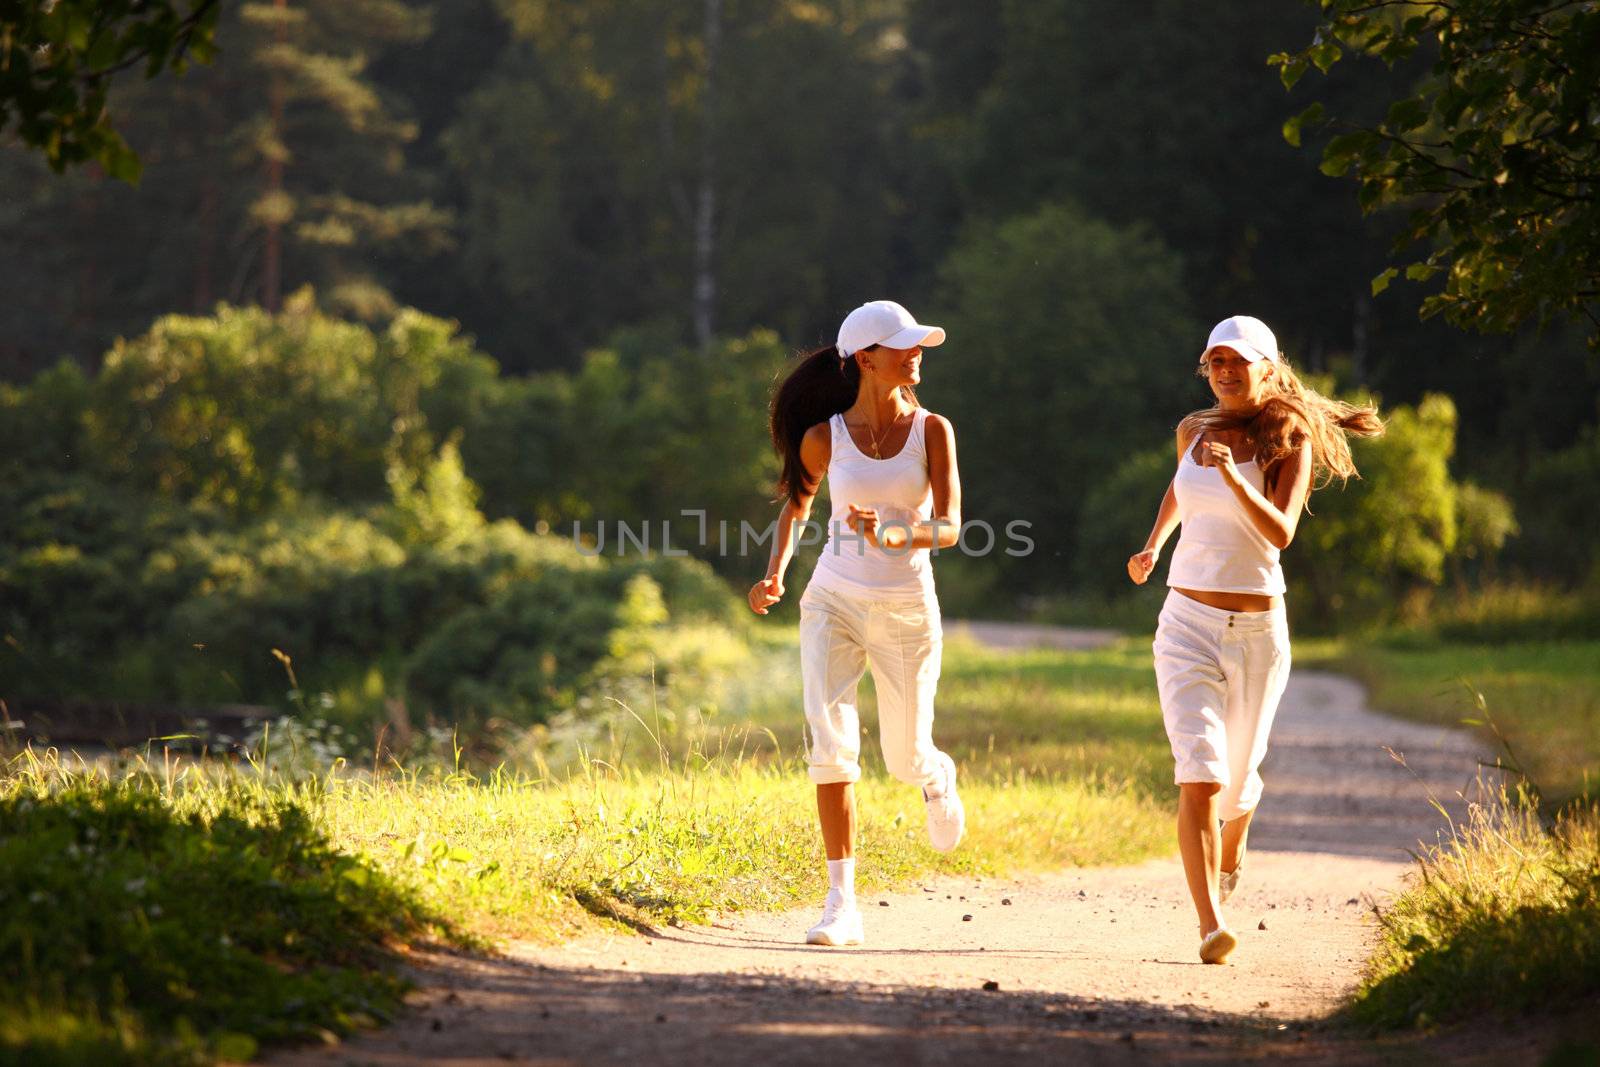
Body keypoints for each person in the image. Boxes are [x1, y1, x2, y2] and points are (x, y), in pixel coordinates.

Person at [1127, 314, 1383, 965]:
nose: (1225, 371)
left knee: (1237, 785)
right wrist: (1155, 542)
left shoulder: (1287, 439)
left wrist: (1237, 477)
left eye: (1239, 361)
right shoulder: (1193, 429)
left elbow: (1280, 532)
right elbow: (1182, 487)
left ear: (1268, 369)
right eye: (1216, 361)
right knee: (1200, 773)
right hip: (1185, 622)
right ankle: (1211, 923)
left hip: (1258, 634)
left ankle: (1238, 830)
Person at [749, 299, 966, 947]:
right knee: (830, 743)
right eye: (902, 345)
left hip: (906, 608)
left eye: (917, 343)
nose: (916, 352)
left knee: (903, 758)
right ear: (865, 359)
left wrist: (899, 530)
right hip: (833, 602)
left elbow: (952, 527)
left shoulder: (933, 430)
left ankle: (935, 774)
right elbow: (796, 505)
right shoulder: (826, 437)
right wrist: (776, 573)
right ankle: (841, 902)